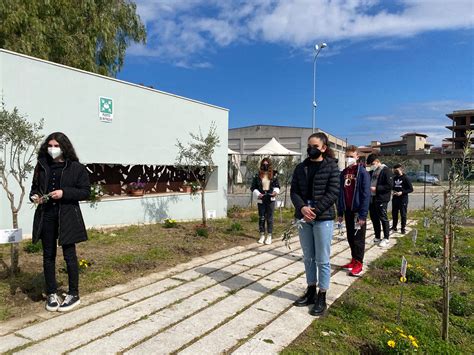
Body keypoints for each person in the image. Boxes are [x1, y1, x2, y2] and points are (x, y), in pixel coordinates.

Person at [30, 132, 91, 312]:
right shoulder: (41, 166)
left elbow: (85, 192)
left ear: (64, 147)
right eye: (50, 145)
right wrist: (34, 197)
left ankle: (73, 293)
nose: (53, 149)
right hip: (47, 214)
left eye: (57, 146)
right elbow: (34, 188)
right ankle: (51, 293)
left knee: (69, 255)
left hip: (67, 216)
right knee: (48, 256)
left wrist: (64, 193)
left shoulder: (76, 168)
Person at [291, 133, 340, 316]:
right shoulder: (300, 167)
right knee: (308, 257)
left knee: (323, 259)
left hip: (323, 218)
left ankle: (322, 295)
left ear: (324, 148)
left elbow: (333, 192)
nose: (311, 149)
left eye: (315, 146)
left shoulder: (331, 167)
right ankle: (310, 290)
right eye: (309, 145)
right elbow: (294, 191)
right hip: (304, 218)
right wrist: (303, 207)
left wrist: (315, 211)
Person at [337, 146, 371, 277]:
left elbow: (366, 194)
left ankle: (359, 263)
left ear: (357, 156)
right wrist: (340, 212)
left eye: (351, 156)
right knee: (350, 236)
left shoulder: (362, 172)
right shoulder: (344, 172)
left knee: (358, 238)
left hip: (358, 211)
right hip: (347, 210)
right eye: (347, 156)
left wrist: (363, 214)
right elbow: (341, 193)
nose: (348, 158)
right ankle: (353, 259)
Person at [366, 153, 393, 248]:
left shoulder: (386, 171)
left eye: (372, 163)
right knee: (374, 218)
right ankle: (377, 236)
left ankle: (386, 238)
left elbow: (389, 185)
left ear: (377, 161)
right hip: (372, 198)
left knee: (383, 217)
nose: (372, 166)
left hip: (381, 198)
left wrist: (376, 189)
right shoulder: (372, 171)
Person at [251, 157, 280, 245]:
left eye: (267, 164)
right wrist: (258, 194)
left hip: (270, 197)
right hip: (261, 198)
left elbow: (277, 186)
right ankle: (262, 235)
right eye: (264, 164)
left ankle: (269, 236)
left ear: (270, 165)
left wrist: (275, 192)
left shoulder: (274, 174)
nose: (265, 165)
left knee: (270, 218)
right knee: (262, 217)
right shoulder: (257, 175)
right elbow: (253, 187)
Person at [391, 164, 413, 234]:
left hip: (403, 199)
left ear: (401, 170)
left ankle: (402, 228)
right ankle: (394, 227)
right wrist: (392, 191)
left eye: (396, 170)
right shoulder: (394, 178)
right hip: (395, 198)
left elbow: (411, 189)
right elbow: (392, 187)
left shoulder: (405, 178)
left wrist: (402, 192)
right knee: (394, 213)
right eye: (394, 170)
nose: (395, 172)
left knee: (403, 214)